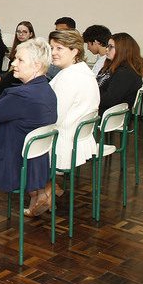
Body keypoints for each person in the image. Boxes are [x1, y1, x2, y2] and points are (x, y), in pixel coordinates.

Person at [0, 38, 57, 217]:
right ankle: (38, 193)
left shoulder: (22, 95)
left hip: (9, 164)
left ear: (36, 65)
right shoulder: (47, 91)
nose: (13, 63)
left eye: (20, 60)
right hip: (30, 161)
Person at [48, 28, 100, 176]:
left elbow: (55, 117)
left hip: (62, 141)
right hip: (77, 138)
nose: (53, 52)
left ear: (75, 51)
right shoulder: (83, 72)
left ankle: (42, 190)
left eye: (59, 48)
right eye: (52, 48)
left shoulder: (69, 78)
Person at [97, 33, 143, 115]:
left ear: (123, 50)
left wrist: (88, 97)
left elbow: (109, 100)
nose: (106, 49)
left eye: (110, 47)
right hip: (97, 109)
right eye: (107, 46)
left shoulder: (126, 73)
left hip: (107, 115)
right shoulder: (109, 66)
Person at [0, 21, 35, 100]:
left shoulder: (32, 48)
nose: (21, 34)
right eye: (18, 32)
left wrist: (3, 77)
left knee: (9, 75)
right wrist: (2, 76)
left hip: (24, 75)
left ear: (31, 34)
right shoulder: (16, 47)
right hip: (11, 75)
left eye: (24, 32)